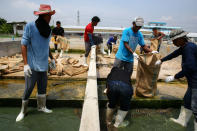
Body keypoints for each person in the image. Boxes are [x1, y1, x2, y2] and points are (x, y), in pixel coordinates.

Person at [16, 4, 56, 122]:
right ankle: (23, 111)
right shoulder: (30, 26)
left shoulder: (48, 29)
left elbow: (46, 46)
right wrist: (25, 64)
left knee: (42, 88)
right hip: (32, 66)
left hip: (44, 65)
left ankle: (41, 107)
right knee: (28, 89)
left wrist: (52, 58)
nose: (50, 18)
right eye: (49, 15)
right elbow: (23, 45)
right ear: (44, 15)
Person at [155, 29, 197, 130]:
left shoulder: (189, 49)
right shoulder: (185, 46)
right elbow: (173, 54)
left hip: (196, 83)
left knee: (195, 108)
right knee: (187, 101)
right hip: (192, 82)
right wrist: (161, 60)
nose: (173, 43)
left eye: (174, 40)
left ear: (181, 39)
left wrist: (175, 77)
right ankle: (182, 121)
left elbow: (190, 67)